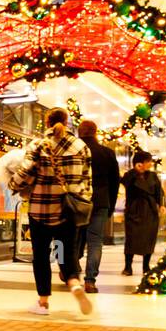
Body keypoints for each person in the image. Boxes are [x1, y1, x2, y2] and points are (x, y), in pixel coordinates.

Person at [8, 107, 93, 316]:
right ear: (67, 121)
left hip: (40, 212)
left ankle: (43, 303)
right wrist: (78, 197)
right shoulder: (81, 146)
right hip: (67, 212)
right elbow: (87, 182)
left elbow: (25, 174)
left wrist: (13, 184)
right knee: (65, 251)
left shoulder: (38, 145)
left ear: (47, 122)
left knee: (41, 256)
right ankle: (73, 282)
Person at [75, 120, 119, 294]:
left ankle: (70, 270)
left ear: (79, 132)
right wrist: (111, 206)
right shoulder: (107, 153)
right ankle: (90, 280)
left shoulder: (74, 150)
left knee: (73, 238)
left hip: (78, 201)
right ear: (95, 132)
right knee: (95, 242)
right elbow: (114, 182)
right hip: (100, 202)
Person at [120, 150, 164, 277]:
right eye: (147, 161)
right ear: (140, 163)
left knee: (149, 239)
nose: (150, 164)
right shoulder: (130, 174)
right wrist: (135, 172)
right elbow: (124, 182)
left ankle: (146, 266)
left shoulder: (153, 176)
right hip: (134, 211)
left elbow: (158, 192)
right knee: (131, 239)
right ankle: (128, 267)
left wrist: (161, 205)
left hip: (150, 211)